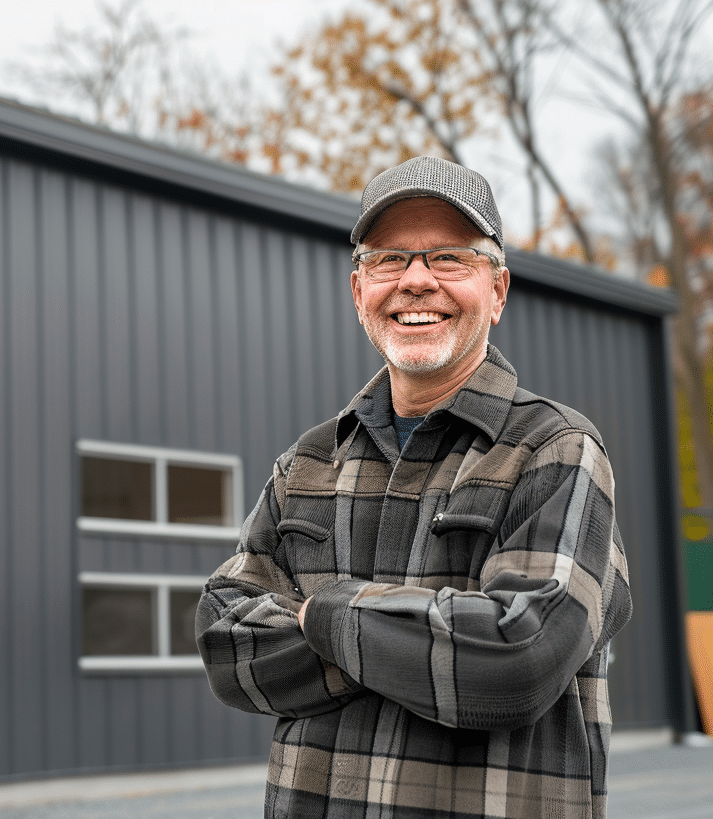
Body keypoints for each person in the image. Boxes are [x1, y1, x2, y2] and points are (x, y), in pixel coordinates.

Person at [196, 156, 632, 819]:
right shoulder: (306, 463)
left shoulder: (557, 450)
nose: (416, 280)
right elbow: (227, 642)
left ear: (498, 290)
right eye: (390, 259)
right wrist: (420, 640)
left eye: (449, 257)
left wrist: (321, 614)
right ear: (359, 290)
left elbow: (518, 660)